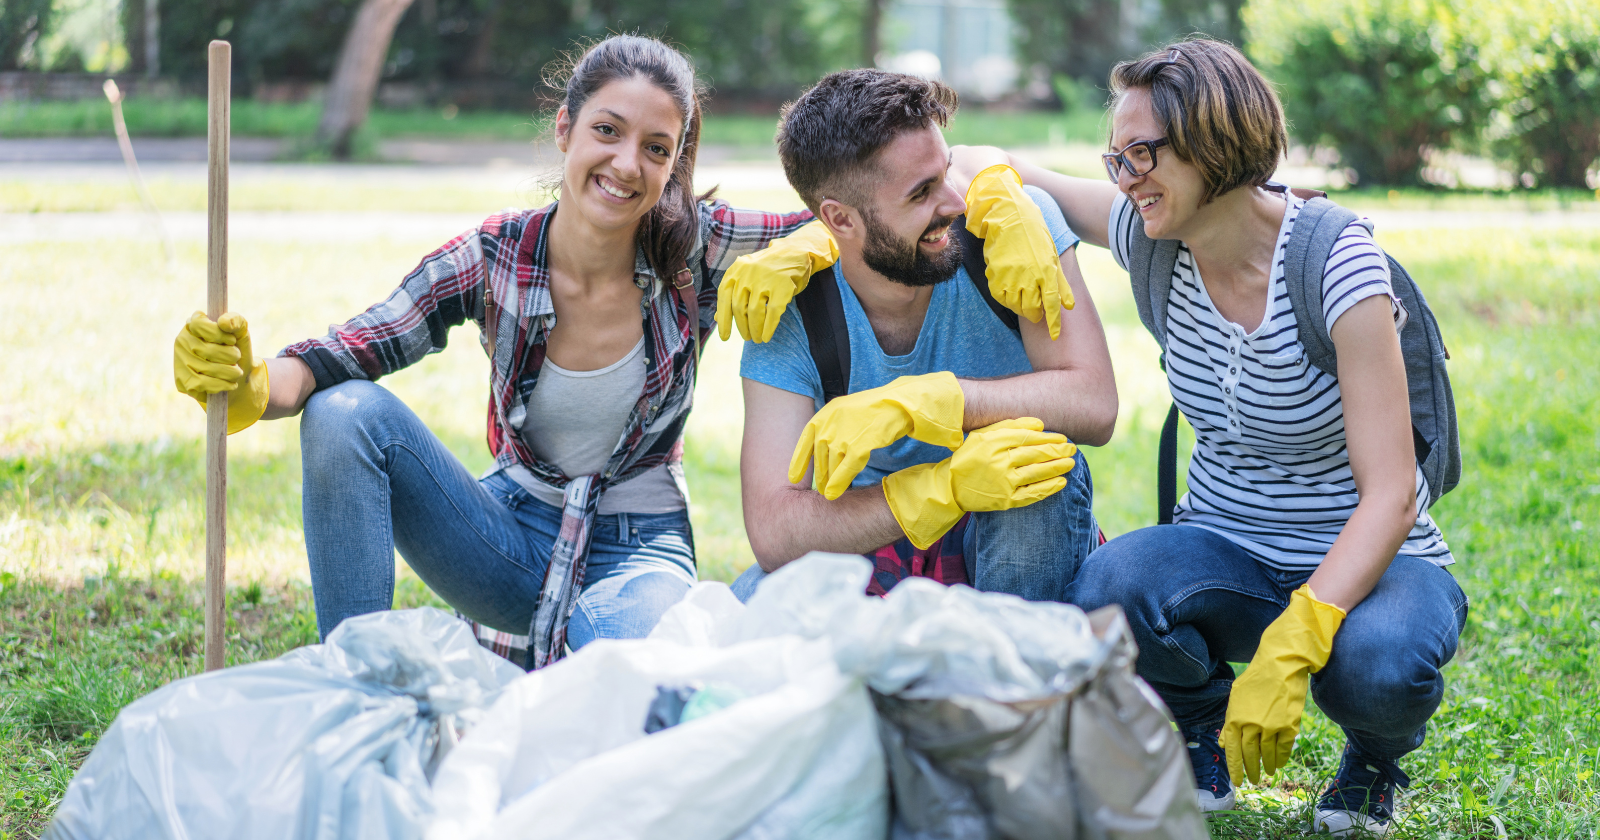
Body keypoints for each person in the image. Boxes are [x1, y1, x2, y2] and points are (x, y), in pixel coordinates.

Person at [169, 35, 820, 669]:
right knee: (343, 414)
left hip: (638, 549)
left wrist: (807, 248)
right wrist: (250, 383)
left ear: (674, 164)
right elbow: (343, 356)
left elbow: (856, 221)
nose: (627, 164)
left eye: (656, 149)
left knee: (634, 692)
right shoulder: (496, 255)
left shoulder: (694, 249)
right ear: (565, 127)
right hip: (506, 539)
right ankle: (354, 687)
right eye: (607, 131)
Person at [953, 39, 1465, 835]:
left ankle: (1371, 756)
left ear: (1216, 138)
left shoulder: (1339, 266)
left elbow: (1393, 493)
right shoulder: (1152, 238)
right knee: (1109, 595)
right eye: (1115, 157)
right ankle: (1198, 725)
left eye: (1144, 153)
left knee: (1380, 669)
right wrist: (1000, 199)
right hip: (1226, 550)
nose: (1126, 179)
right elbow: (981, 158)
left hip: (1374, 562)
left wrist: (1301, 638)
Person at [730, 69, 1118, 602]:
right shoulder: (787, 299)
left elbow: (1095, 405)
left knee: (1040, 468)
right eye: (922, 193)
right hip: (878, 531)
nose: (956, 204)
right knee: (747, 616)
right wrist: (936, 491)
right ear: (839, 220)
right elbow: (775, 531)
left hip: (1013, 528)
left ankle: (1013, 680)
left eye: (947, 172)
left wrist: (940, 400)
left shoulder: (1008, 237)